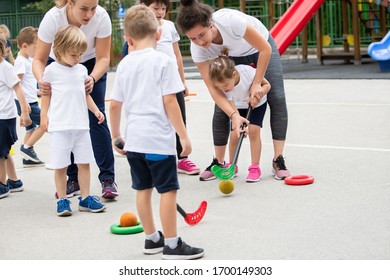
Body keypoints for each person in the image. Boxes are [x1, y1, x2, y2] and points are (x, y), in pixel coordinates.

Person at [109, 5, 204, 260]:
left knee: (143, 190)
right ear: (159, 34)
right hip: (158, 141)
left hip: (135, 141)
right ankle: (172, 244)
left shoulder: (125, 64)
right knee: (168, 191)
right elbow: (170, 102)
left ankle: (152, 239)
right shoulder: (164, 61)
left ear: (128, 39)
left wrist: (115, 135)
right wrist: (183, 135)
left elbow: (115, 104)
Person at [176, 0, 291, 181]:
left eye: (202, 34)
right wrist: (234, 115)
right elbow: (214, 91)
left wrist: (256, 83)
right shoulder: (197, 49)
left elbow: (265, 49)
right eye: (192, 38)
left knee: (276, 96)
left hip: (259, 49)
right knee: (222, 108)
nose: (200, 41)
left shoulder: (230, 21)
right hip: (230, 58)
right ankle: (219, 162)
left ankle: (278, 159)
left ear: (210, 24)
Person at [32, 0, 118, 199]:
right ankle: (73, 179)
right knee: (65, 120)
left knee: (97, 118)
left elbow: (104, 57)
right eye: (84, 9)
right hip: (59, 61)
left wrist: (92, 78)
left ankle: (107, 178)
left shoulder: (102, 17)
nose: (90, 14)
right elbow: (39, 59)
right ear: (70, 3)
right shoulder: (53, 19)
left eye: (94, 8)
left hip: (90, 65)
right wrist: (41, 80)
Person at [121, 0, 200, 176]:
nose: (160, 11)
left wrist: (182, 81)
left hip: (171, 81)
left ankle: (182, 158)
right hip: (151, 82)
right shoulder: (138, 31)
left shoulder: (170, 26)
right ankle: (150, 154)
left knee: (179, 115)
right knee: (155, 118)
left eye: (163, 8)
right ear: (144, 6)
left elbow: (177, 55)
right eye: (155, 8)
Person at [40, 25, 106, 216]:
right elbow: (46, 96)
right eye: (74, 54)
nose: (78, 58)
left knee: (84, 163)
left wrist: (95, 111)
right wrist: (44, 116)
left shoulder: (82, 70)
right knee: (61, 166)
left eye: (80, 54)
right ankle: (62, 200)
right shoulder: (51, 71)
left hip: (81, 125)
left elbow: (85, 95)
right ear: (59, 51)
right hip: (60, 126)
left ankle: (85, 198)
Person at [209, 54, 270, 182]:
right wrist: (239, 125)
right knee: (235, 134)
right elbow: (232, 108)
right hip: (238, 107)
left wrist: (258, 95)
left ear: (234, 75)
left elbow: (267, 85)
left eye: (225, 85)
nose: (223, 89)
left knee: (253, 131)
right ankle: (232, 165)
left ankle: (255, 167)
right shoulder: (225, 88)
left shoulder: (247, 72)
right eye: (219, 87)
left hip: (257, 104)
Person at [0, 34, 32, 199]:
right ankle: (14, 181)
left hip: (5, 117)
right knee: (4, 151)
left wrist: (25, 112)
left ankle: (2, 185)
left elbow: (18, 89)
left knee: (1, 152)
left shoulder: (5, 67)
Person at [14, 26, 45, 168]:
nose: (37, 51)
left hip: (30, 101)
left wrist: (40, 92)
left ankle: (27, 157)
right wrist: (24, 106)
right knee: (46, 124)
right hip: (27, 104)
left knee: (31, 129)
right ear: (25, 46)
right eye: (35, 48)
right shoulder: (21, 61)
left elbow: (28, 86)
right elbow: (16, 84)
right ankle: (26, 148)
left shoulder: (27, 60)